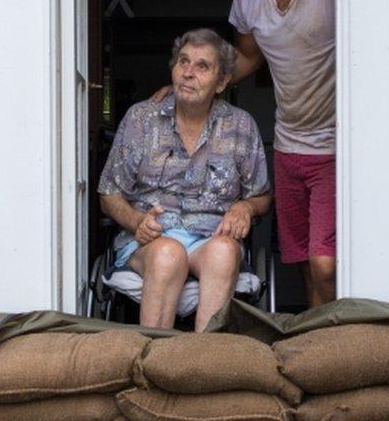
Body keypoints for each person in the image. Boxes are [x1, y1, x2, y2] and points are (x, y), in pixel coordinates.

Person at [156, 0, 336, 307]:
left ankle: (342, 346)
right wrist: (191, 83)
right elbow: (248, 58)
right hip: (290, 143)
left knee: (325, 263)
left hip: (339, 142)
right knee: (300, 264)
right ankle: (322, 355)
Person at [98, 29, 272, 332]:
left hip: (210, 238)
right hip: (150, 242)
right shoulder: (142, 120)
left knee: (225, 251)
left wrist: (245, 208)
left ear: (222, 82)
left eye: (202, 66)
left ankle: (202, 365)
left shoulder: (240, 126)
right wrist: (136, 220)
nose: (188, 73)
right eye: (183, 62)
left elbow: (262, 196)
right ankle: (153, 364)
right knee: (169, 254)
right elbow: (109, 193)